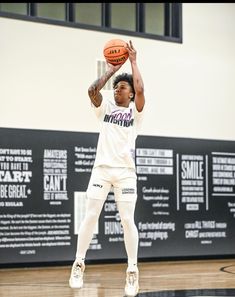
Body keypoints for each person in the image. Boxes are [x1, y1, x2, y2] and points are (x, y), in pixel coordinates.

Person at [69, 40, 145, 297]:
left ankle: (132, 271)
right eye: (115, 88)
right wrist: (113, 70)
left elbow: (141, 87)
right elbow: (92, 90)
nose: (116, 91)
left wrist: (133, 62)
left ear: (130, 93)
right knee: (90, 216)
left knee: (127, 220)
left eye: (121, 88)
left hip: (125, 172)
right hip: (102, 169)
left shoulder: (136, 113)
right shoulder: (105, 109)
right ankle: (79, 263)